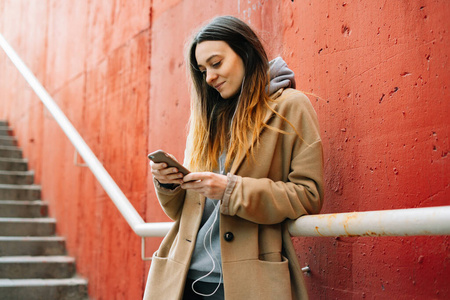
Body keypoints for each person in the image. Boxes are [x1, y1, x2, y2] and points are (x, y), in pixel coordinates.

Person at [143, 15, 324, 300]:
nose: (209, 77)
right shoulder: (208, 119)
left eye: (216, 63)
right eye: (202, 70)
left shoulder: (290, 107)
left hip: (247, 282)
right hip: (182, 279)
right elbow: (187, 212)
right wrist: (170, 185)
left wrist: (231, 190)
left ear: (246, 53)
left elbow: (307, 195)